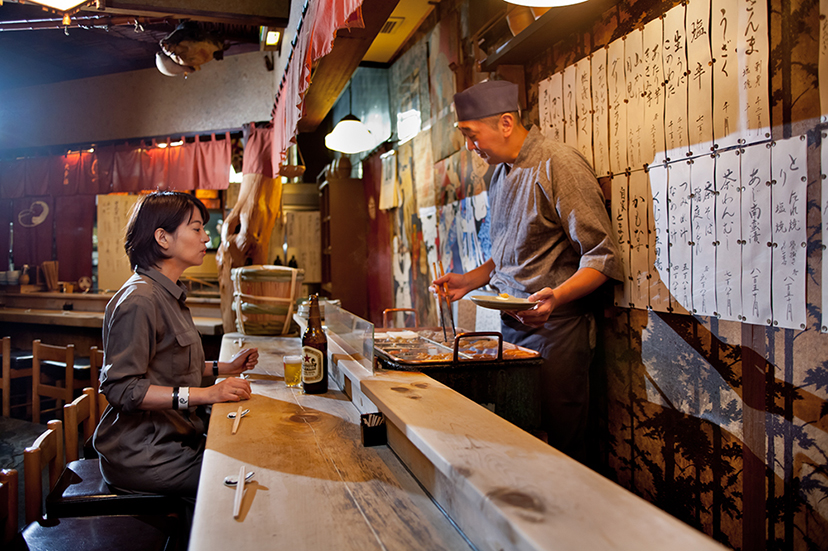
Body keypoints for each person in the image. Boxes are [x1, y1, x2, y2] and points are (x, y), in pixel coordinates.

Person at [431, 80, 623, 460]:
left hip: (557, 330)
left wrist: (558, 295)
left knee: (564, 449)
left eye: (472, 135)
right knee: (521, 442)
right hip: (513, 328)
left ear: (505, 123)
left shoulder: (558, 163)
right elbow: (509, 255)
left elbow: (602, 257)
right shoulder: (500, 175)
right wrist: (468, 281)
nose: (471, 147)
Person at [94, 191, 259, 497]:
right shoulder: (140, 300)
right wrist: (207, 394)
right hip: (147, 455)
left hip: (176, 442)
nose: (205, 238)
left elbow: (173, 366)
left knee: (249, 457)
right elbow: (122, 389)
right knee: (241, 483)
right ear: (163, 238)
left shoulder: (167, 294)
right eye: (196, 229)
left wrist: (227, 367)